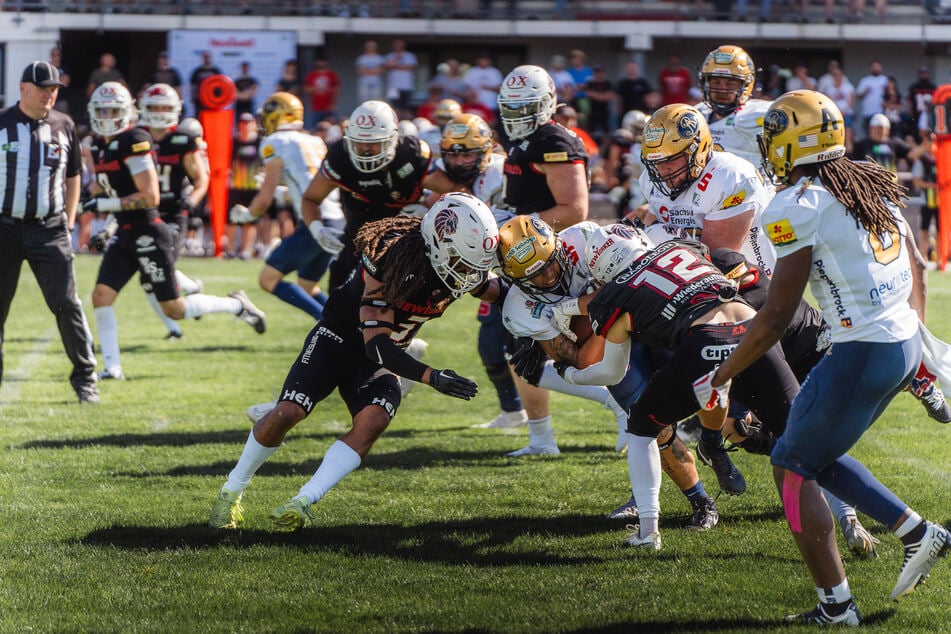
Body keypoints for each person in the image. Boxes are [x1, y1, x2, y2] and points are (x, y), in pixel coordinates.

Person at [697, 90, 950, 625]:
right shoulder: (868, 182)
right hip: (898, 342)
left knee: (791, 465)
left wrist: (723, 374)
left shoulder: (796, 204)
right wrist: (917, 343)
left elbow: (774, 318)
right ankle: (915, 534)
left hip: (862, 352)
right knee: (804, 450)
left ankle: (839, 606)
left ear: (788, 145)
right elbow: (919, 269)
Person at [209, 194, 500, 531]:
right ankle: (232, 489)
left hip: (383, 351)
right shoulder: (390, 260)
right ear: (438, 244)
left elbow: (496, 289)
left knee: (374, 419)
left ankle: (304, 500)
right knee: (288, 411)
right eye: (462, 263)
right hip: (340, 340)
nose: (468, 274)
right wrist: (432, 376)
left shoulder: (455, 264)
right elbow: (376, 346)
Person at [553, 224, 799, 549]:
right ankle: (850, 516)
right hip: (754, 327)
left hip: (705, 341)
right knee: (800, 433)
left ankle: (648, 530)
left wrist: (570, 375)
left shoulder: (616, 294)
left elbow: (611, 372)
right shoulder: (682, 247)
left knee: (641, 427)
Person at [497, 216, 719, 531]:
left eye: (549, 264)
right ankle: (701, 502)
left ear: (558, 244)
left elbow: (638, 285)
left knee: (716, 385)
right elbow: (577, 360)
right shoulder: (520, 308)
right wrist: (608, 318)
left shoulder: (585, 237)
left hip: (646, 322)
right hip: (606, 349)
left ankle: (732, 445)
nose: (548, 275)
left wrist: (584, 307)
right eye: (535, 274)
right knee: (655, 429)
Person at [83, 82, 267, 381]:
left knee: (174, 308)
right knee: (101, 295)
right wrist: (102, 220)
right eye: (102, 110)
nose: (157, 114)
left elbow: (161, 191)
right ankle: (112, 368)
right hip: (128, 227)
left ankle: (233, 304)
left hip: (154, 224)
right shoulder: (100, 143)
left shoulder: (144, 138)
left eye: (113, 110)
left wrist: (189, 205)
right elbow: (106, 187)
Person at [494, 65, 590, 460]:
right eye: (510, 108)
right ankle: (541, 439)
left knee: (561, 348)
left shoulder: (552, 140)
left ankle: (622, 411)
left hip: (549, 261)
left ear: (547, 104)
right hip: (525, 257)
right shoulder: (524, 138)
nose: (516, 116)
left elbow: (574, 209)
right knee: (522, 350)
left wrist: (518, 228)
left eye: (525, 107)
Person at [0, 61, 98, 403]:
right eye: (43, 89)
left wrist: (68, 223)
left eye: (54, 89)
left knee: (66, 304)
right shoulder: (2, 123)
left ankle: (86, 380)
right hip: (4, 228)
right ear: (23, 88)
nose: (49, 95)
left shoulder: (64, 125)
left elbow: (74, 177)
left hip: (49, 228)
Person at [299, 99, 463, 291]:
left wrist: (430, 212)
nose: (365, 149)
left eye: (374, 143)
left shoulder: (410, 154)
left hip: (406, 241)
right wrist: (317, 228)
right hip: (358, 235)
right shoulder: (340, 157)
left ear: (392, 139)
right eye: (358, 142)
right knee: (338, 293)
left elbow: (458, 193)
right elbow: (311, 198)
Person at [228, 92, 343, 321]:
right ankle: (348, 327)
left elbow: (264, 198)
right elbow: (309, 181)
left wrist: (246, 214)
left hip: (314, 222)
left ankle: (336, 329)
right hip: (336, 218)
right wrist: (285, 189)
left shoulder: (275, 142)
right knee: (308, 285)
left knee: (267, 279)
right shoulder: (314, 140)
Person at [639, 103, 776, 277]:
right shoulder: (651, 179)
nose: (662, 170)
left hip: (748, 283)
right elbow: (648, 235)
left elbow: (715, 264)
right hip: (686, 280)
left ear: (698, 150)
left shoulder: (730, 176)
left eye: (670, 160)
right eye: (655, 162)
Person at [134, 83, 208, 339]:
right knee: (147, 278)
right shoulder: (136, 137)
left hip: (173, 212)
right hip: (144, 213)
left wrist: (193, 200)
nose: (159, 111)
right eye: (155, 106)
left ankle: (211, 298)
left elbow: (201, 179)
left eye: (165, 107)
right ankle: (175, 326)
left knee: (159, 268)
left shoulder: (182, 140)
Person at [695, 45, 773, 170]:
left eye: (730, 83)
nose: (722, 90)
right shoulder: (697, 114)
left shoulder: (759, 114)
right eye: (716, 82)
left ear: (747, 85)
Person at [226, 113, 264, 260]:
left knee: (251, 219)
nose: (246, 126)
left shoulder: (260, 142)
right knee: (231, 220)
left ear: (254, 124)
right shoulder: (233, 142)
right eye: (243, 123)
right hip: (236, 186)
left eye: (249, 123)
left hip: (254, 188)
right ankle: (229, 249)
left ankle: (245, 250)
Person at [302, 57, 340, 130]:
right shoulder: (311, 75)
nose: (321, 64)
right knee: (315, 128)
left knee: (331, 128)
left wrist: (333, 104)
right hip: (315, 107)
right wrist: (316, 88)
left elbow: (336, 89)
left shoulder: (331, 75)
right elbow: (306, 89)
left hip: (329, 107)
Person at [464, 53, 503, 121]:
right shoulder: (472, 71)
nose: (483, 61)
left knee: (490, 122)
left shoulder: (494, 72)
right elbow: (467, 87)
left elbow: (500, 88)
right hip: (476, 105)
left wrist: (487, 87)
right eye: (482, 60)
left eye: (485, 60)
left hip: (490, 103)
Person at [383, 39, 418, 115]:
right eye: (396, 44)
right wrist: (397, 59)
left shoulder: (409, 56)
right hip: (393, 86)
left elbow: (411, 66)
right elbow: (387, 65)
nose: (398, 46)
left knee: (406, 106)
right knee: (394, 106)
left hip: (406, 85)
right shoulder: (390, 56)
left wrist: (395, 66)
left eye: (400, 44)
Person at [188, 51, 221, 117]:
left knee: (212, 117)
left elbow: (220, 85)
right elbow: (192, 85)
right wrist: (193, 97)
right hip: (200, 100)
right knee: (199, 117)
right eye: (205, 57)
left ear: (210, 58)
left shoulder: (215, 71)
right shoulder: (197, 71)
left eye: (208, 57)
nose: (206, 59)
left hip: (212, 101)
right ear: (202, 58)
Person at [48, 47, 71, 116]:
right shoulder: (46, 67)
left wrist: (52, 82)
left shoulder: (64, 68)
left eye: (57, 54)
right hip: (48, 99)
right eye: (53, 54)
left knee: (63, 121)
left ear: (60, 56)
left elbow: (64, 83)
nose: (55, 56)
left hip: (61, 100)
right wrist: (58, 81)